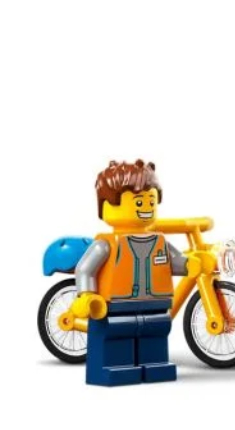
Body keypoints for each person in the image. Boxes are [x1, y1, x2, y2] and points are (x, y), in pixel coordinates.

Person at [72, 160, 211, 385]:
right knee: (117, 334)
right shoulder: (106, 245)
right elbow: (85, 269)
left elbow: (176, 263)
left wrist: (192, 264)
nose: (146, 207)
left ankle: (155, 365)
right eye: (139, 202)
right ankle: (114, 368)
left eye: (151, 201)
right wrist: (86, 295)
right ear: (107, 206)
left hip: (155, 304)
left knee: (155, 332)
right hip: (115, 306)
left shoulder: (159, 242)